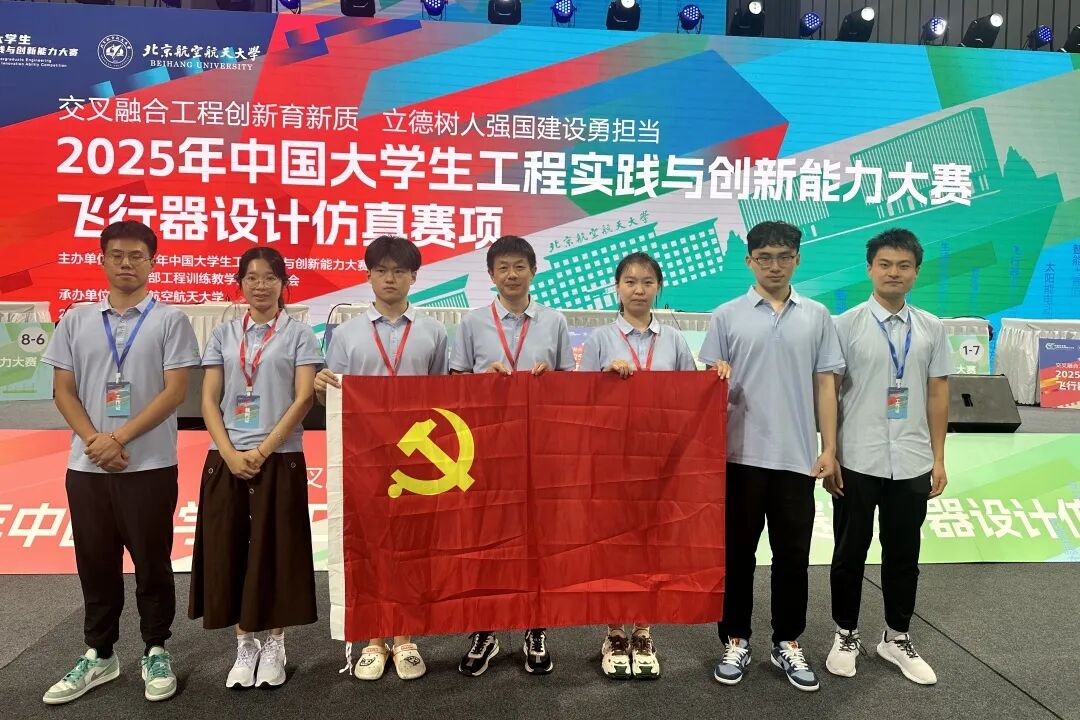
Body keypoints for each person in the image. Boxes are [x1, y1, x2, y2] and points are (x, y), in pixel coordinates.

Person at [41, 220, 201, 705]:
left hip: (149, 465)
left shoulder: (171, 320)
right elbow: (62, 390)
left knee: (152, 563)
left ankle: (156, 648)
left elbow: (175, 392)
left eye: (136, 255)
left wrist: (119, 438)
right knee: (95, 563)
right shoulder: (76, 319)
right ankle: (100, 653)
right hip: (87, 466)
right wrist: (95, 441)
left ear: (152, 262)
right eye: (117, 255)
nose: (127, 263)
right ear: (102, 260)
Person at [700, 221, 844, 693]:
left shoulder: (817, 316)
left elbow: (826, 384)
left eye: (783, 256)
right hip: (739, 456)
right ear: (749, 261)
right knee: (737, 555)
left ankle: (787, 641)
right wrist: (717, 376)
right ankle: (735, 638)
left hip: (797, 459)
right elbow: (709, 385)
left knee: (792, 557)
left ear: (797, 259)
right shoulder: (726, 315)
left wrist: (829, 447)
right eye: (764, 257)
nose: (774, 266)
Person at [579, 251, 730, 680]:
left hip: (662, 463)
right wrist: (604, 378)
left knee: (652, 545)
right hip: (613, 461)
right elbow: (578, 402)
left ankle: (643, 631)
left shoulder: (674, 340)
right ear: (617, 288)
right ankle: (614, 632)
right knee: (614, 545)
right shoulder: (601, 339)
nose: (638, 290)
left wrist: (714, 374)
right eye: (630, 282)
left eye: (647, 282)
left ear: (658, 287)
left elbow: (689, 396)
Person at [315, 235, 448, 681]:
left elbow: (442, 396)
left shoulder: (433, 331)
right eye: (381, 270)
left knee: (411, 546)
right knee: (368, 543)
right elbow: (334, 396)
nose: (390, 279)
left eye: (399, 271)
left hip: (417, 457)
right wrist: (322, 387)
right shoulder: (346, 333)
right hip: (364, 456)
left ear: (413, 277)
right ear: (369, 275)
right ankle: (373, 639)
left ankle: (406, 637)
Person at [188, 247, 322, 689]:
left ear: (283, 284)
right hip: (226, 458)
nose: (260, 285)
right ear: (240, 283)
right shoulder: (224, 333)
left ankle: (275, 643)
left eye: (269, 277)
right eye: (251, 277)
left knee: (277, 551)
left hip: (280, 457)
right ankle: (245, 644)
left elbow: (304, 398)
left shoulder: (300, 335)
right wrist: (228, 452)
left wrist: (263, 450)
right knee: (230, 550)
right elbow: (208, 398)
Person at [824, 229, 951, 686]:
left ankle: (896, 636)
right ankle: (845, 634)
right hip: (857, 458)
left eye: (903, 265)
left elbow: (938, 393)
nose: (893, 273)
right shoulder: (844, 326)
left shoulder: (932, 327)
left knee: (904, 553)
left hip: (913, 459)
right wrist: (830, 452)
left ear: (916, 272)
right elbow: (829, 392)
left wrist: (939, 458)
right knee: (849, 553)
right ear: (870, 269)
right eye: (885, 264)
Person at [450, 234, 574, 677]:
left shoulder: (554, 321)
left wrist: (550, 379)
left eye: (520, 266)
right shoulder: (472, 323)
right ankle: (484, 629)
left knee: (538, 540)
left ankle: (535, 628)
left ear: (533, 271)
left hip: (539, 449)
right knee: (486, 540)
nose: (512, 274)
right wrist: (483, 379)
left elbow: (569, 385)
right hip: (485, 450)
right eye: (503, 267)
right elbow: (454, 384)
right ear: (491, 275)